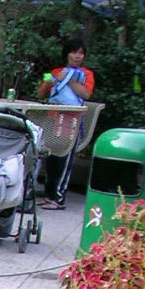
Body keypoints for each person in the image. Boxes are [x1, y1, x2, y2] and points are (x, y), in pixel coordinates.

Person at [37, 37, 95, 209]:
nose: (77, 56)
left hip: (73, 120)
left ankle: (58, 198)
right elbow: (41, 92)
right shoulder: (54, 71)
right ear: (66, 54)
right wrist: (53, 80)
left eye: (81, 53)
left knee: (65, 158)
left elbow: (86, 94)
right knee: (51, 158)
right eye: (74, 52)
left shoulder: (87, 74)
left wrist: (69, 80)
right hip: (54, 119)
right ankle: (49, 195)